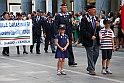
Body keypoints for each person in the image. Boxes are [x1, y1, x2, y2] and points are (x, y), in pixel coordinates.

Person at [80, 5, 100, 75]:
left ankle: (90, 66)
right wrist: (90, 36)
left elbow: (98, 29)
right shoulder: (84, 19)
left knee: (96, 54)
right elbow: (83, 30)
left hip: (96, 40)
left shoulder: (96, 18)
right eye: (93, 9)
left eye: (95, 9)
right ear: (89, 11)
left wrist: (98, 26)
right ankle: (91, 69)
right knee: (90, 55)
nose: (95, 11)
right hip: (89, 40)